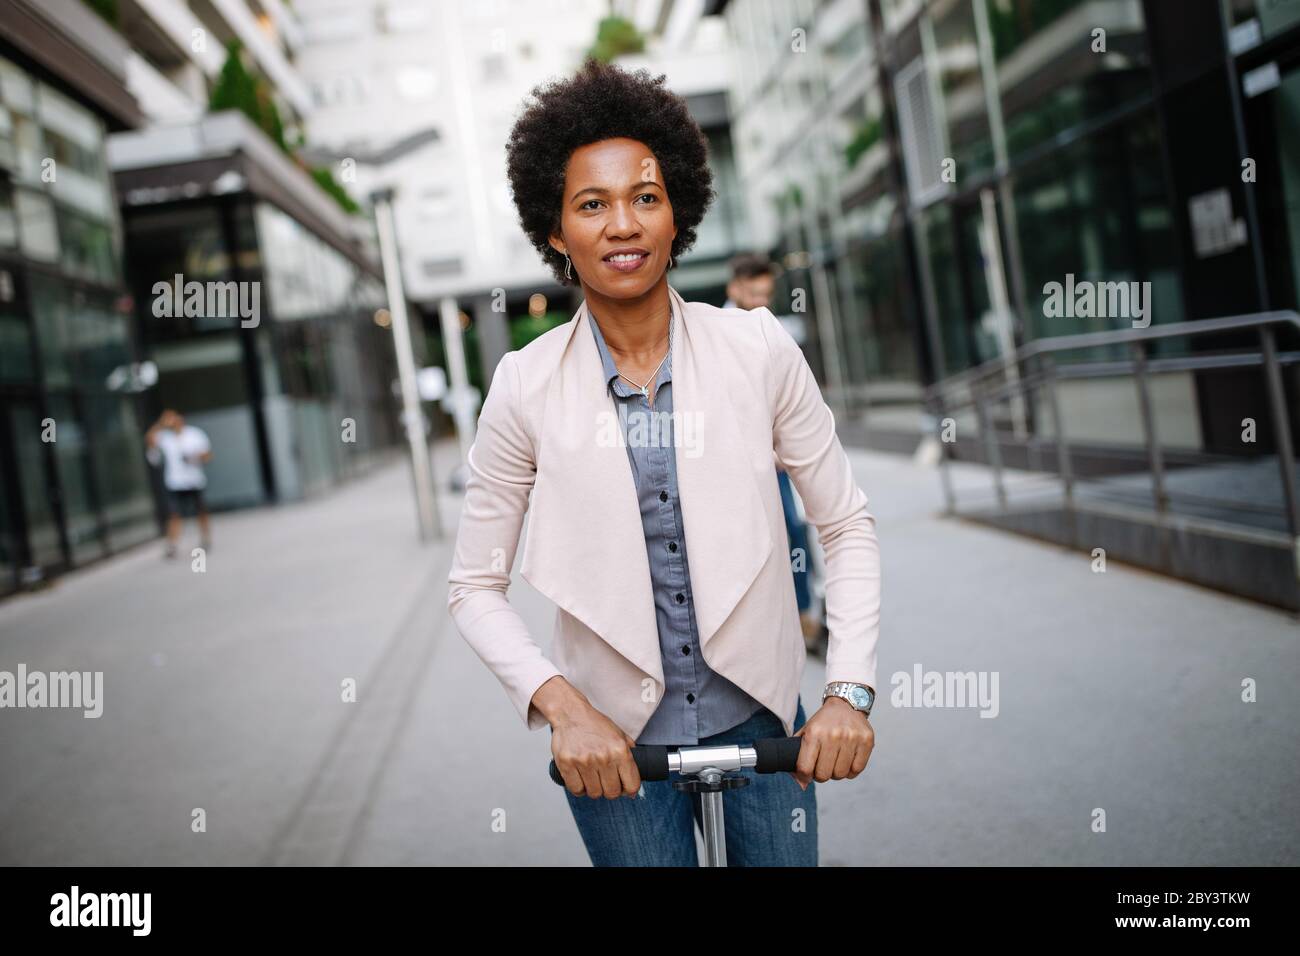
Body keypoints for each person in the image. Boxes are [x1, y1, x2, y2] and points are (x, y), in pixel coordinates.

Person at [447, 59, 881, 867]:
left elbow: (845, 522)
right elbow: (475, 586)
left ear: (676, 210)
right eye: (591, 204)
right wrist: (561, 707)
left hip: (766, 727)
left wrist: (847, 690)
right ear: (553, 230)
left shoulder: (757, 349)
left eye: (645, 196)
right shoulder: (523, 385)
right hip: (612, 744)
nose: (623, 224)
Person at [722, 253, 822, 654]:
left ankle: (803, 614)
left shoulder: (768, 328)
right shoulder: (720, 334)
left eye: (767, 293)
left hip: (776, 456)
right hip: (740, 459)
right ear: (735, 289)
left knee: (795, 530)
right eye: (754, 292)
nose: (762, 300)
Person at [145, 409, 213, 558]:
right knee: (174, 514)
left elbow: (207, 455)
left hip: (194, 480)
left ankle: (205, 538)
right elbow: (149, 439)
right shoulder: (165, 438)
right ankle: (172, 545)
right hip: (175, 483)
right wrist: (160, 424)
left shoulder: (195, 434)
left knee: (201, 511)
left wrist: (195, 456)